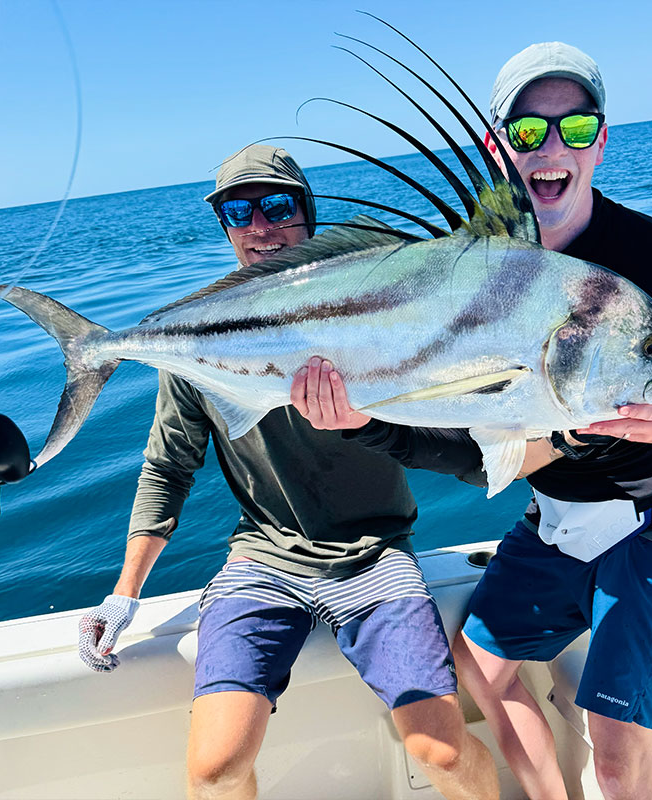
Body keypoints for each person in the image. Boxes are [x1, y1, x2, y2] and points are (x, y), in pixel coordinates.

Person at [292, 43, 652, 800]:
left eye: (575, 129)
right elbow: (455, 440)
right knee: (482, 669)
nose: (551, 147)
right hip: (554, 514)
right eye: (527, 131)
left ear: (601, 140)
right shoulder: (453, 273)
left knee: (618, 760)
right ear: (497, 145)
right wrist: (356, 423)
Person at [77, 144, 499, 800]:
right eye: (239, 213)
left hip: (376, 553)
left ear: (307, 215)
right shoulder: (196, 334)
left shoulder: (379, 305)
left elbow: (447, 425)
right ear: (226, 229)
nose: (260, 226)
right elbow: (167, 469)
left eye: (277, 206)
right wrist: (124, 594)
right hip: (263, 560)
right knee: (215, 770)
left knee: (441, 753)